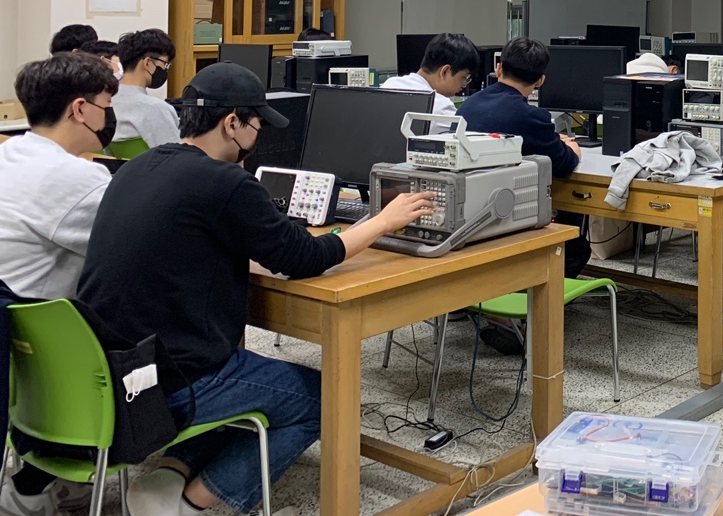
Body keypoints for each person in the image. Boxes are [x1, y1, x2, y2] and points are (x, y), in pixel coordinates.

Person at [77, 63, 434, 516]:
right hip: (171, 381)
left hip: (114, 370)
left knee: (248, 373)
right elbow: (304, 258)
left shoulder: (140, 166)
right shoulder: (225, 182)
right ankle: (190, 503)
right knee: (324, 395)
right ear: (233, 124)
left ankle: (167, 476)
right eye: (257, 126)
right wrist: (382, 221)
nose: (258, 136)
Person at [0, 55, 118, 516]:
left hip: (23, 350)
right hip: (59, 353)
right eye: (106, 105)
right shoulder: (79, 180)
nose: (109, 116)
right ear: (80, 109)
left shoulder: (11, 151)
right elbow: (137, 245)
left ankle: (43, 482)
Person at [458, 38, 588, 279]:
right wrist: (572, 147)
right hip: (505, 222)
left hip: (467, 221)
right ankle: (534, 294)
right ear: (540, 81)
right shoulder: (531, 117)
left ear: (499, 68)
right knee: (577, 248)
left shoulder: (468, 107)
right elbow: (563, 165)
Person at [381, 32, 479, 117]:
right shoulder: (441, 107)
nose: (465, 84)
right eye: (464, 77)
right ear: (445, 71)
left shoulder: (390, 84)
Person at [113, 29, 180, 149]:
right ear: (148, 63)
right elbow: (174, 155)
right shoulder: (157, 109)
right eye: (165, 64)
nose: (165, 70)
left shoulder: (103, 101)